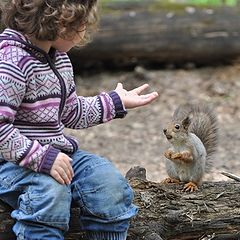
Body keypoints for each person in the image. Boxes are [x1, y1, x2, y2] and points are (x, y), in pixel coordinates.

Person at [0, 0, 158, 239]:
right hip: (11, 164)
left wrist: (115, 102)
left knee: (109, 184)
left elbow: (70, 112)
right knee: (51, 193)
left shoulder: (58, 57)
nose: (85, 31)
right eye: (83, 23)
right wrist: (42, 158)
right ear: (62, 22)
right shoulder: (11, 61)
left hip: (56, 155)